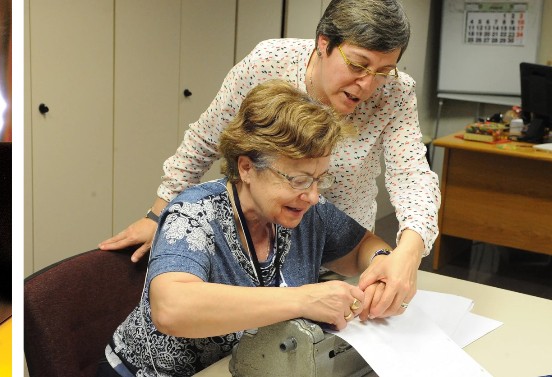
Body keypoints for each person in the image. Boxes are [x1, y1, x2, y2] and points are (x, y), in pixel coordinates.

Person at [98, 0, 436, 320]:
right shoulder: (269, 62)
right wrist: (159, 213)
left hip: (336, 244)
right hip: (261, 236)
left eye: (383, 71)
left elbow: (412, 176)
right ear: (323, 43)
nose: (367, 84)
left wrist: (404, 255)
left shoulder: (395, 93)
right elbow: (205, 137)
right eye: (358, 64)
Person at [101, 80, 396, 376]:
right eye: (298, 180)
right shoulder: (193, 214)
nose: (314, 195)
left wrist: (381, 262)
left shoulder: (308, 210)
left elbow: (361, 246)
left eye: (319, 179)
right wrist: (305, 299)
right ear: (246, 168)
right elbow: (171, 309)